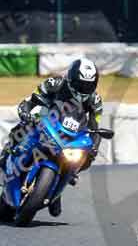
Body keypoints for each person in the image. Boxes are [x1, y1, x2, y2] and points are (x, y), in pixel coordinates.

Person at [0, 58, 103, 217]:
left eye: (88, 85)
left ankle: (64, 178)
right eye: (80, 84)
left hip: (72, 137)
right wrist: (26, 113)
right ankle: (5, 156)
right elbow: (30, 100)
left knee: (88, 155)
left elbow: (95, 127)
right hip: (45, 125)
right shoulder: (54, 84)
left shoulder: (95, 101)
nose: (84, 88)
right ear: (70, 78)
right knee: (21, 129)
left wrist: (94, 147)